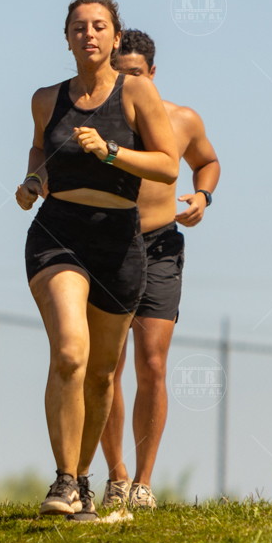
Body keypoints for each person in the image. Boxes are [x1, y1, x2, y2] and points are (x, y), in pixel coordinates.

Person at [16, 0, 178, 521]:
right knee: (69, 351)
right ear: (66, 38)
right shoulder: (46, 99)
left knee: (103, 371)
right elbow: (41, 151)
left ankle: (84, 479)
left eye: (99, 26)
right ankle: (64, 480)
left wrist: (109, 151)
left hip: (119, 239)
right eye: (79, 27)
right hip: (57, 233)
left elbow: (168, 166)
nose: (89, 34)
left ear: (114, 36)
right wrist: (33, 180)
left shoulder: (137, 93)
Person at [97, 29, 220, 510]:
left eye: (134, 75)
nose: (127, 84)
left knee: (152, 363)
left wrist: (203, 197)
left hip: (161, 246)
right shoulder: (100, 118)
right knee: (107, 367)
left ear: (151, 73)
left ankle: (143, 482)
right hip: (107, 243)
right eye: (118, 74)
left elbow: (207, 162)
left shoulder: (181, 119)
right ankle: (116, 474)